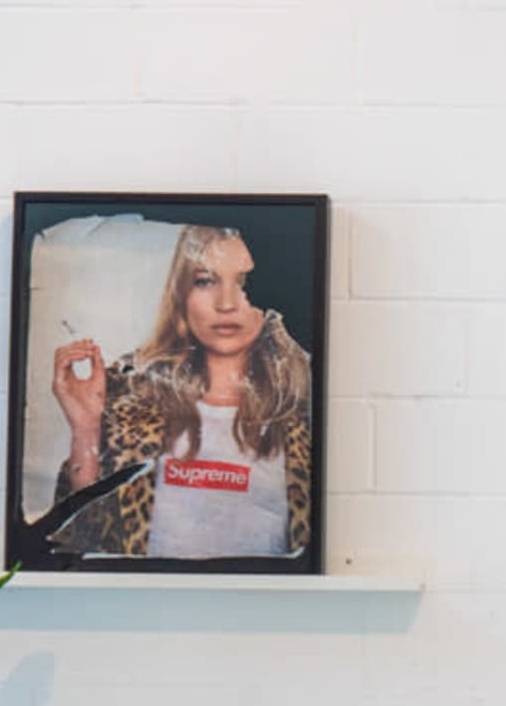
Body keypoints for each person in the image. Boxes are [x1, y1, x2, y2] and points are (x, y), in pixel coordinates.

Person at [46, 221, 314, 560]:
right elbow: (76, 547)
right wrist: (86, 431)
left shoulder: (303, 407)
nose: (227, 303)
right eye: (206, 281)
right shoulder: (130, 396)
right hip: (144, 606)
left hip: (268, 607)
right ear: (181, 295)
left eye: (244, 283)